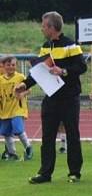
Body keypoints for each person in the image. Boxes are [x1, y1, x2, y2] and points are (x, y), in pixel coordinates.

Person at [15, 12, 87, 184]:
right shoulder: (45, 46)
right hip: (51, 96)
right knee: (47, 136)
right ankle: (45, 173)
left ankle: (74, 172)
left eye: (43, 25)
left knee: (72, 134)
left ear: (52, 27)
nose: (41, 28)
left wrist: (63, 71)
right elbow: (39, 72)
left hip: (69, 97)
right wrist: (25, 84)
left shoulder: (71, 44)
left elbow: (81, 66)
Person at [0, 55, 33, 161]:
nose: (10, 67)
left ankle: (28, 148)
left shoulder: (20, 77)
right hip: (5, 109)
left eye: (13, 65)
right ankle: (12, 153)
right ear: (3, 66)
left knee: (18, 129)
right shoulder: (1, 79)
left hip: (18, 108)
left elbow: (29, 89)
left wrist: (23, 94)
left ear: (16, 65)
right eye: (8, 65)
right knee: (5, 132)